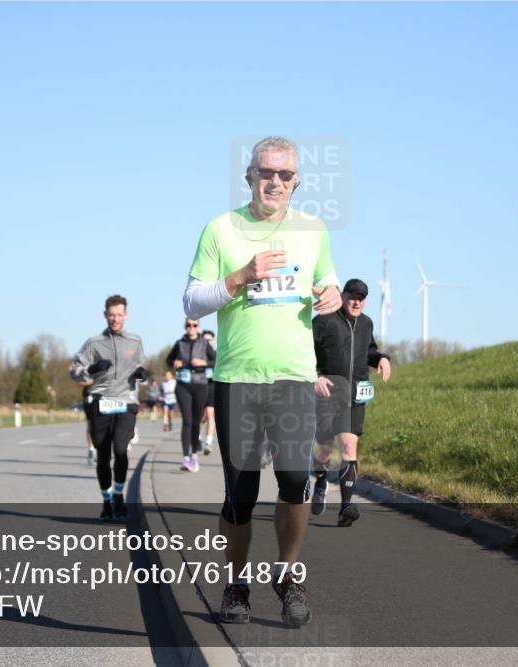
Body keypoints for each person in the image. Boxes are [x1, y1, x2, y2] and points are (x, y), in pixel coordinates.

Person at [183, 136, 342, 627]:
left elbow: (328, 280)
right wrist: (240, 277)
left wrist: (333, 293)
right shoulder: (220, 228)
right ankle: (236, 584)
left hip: (293, 377)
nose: (275, 182)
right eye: (265, 172)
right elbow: (191, 301)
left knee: (295, 480)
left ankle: (289, 575)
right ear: (248, 175)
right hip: (238, 380)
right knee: (240, 495)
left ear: (297, 181)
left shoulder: (313, 230)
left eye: (285, 175)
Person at [310, 278, 391, 527]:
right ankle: (321, 482)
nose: (357, 302)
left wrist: (381, 358)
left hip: (355, 394)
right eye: (352, 297)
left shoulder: (366, 323)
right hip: (328, 393)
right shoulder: (323, 320)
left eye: (361, 298)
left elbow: (368, 350)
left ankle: (346, 506)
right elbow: (303, 351)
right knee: (324, 449)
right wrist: (315, 377)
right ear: (343, 296)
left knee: (348, 447)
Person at [70, 295, 148, 521]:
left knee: (121, 450)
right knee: (103, 455)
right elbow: (75, 369)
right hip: (100, 402)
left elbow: (140, 364)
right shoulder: (94, 343)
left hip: (126, 401)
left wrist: (141, 373)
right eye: (111, 315)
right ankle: (106, 501)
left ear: (126, 315)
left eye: (119, 315)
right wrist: (92, 368)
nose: (115, 319)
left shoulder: (135, 341)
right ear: (105, 315)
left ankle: (118, 495)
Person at [166, 318, 216, 472]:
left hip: (201, 385)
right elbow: (169, 359)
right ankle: (185, 457)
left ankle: (194, 454)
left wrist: (203, 363)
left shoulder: (204, 343)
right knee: (186, 421)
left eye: (194, 325)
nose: (191, 328)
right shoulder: (180, 343)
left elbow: (216, 360)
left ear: (198, 327)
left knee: (195, 422)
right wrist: (174, 363)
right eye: (188, 325)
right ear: (185, 327)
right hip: (183, 385)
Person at [199, 329, 217, 455]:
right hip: (198, 386)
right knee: (199, 417)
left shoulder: (216, 354)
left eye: (209, 340)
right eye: (205, 340)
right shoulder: (196, 353)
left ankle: (208, 443)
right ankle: (198, 438)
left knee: (210, 415)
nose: (207, 342)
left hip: (211, 386)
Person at [79, 383, 97, 465]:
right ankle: (91, 450)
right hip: (89, 396)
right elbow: (80, 381)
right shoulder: (87, 369)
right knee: (91, 424)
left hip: (106, 395)